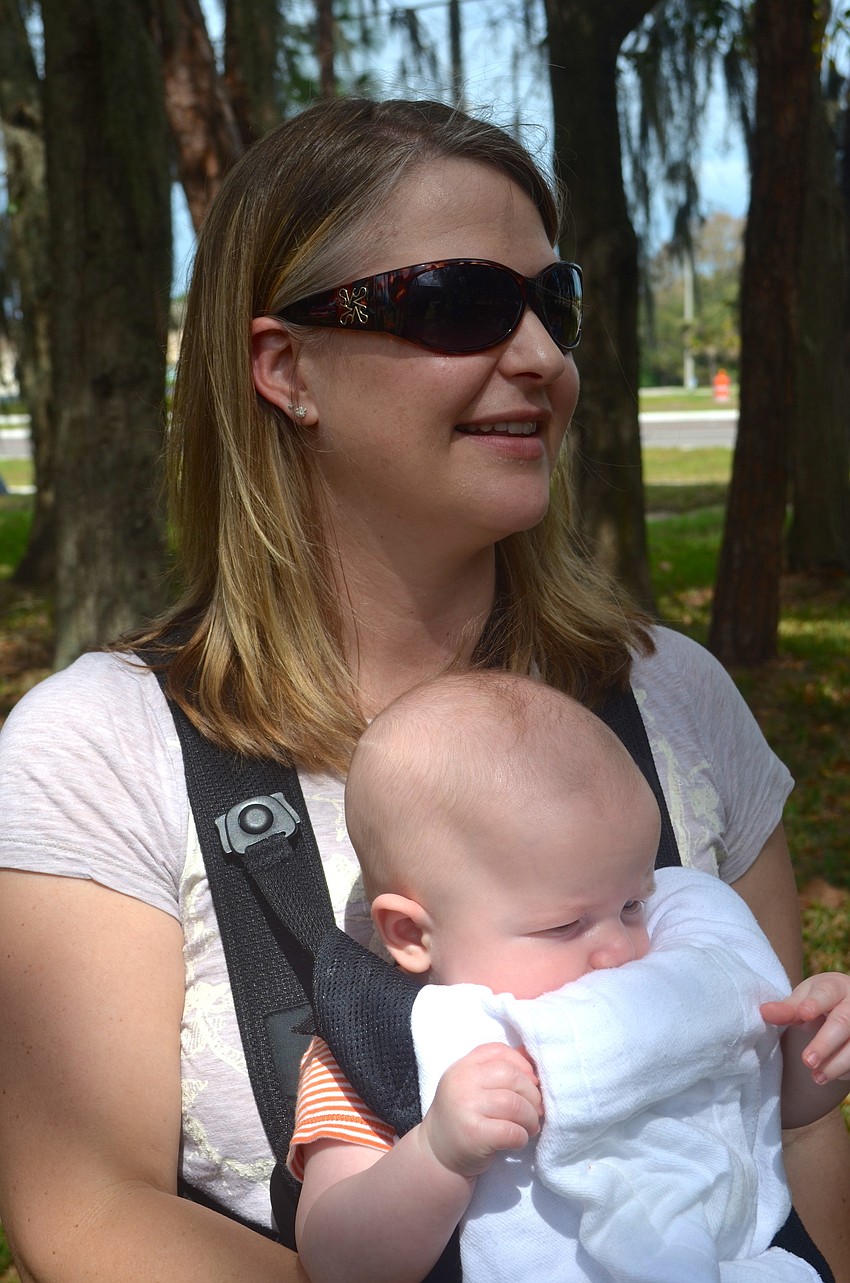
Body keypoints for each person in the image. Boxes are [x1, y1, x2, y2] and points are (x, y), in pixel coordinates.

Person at [0, 95, 847, 1282]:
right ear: (284, 366)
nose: (541, 356)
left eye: (555, 304)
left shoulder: (675, 699)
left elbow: (786, 1126)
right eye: (459, 302)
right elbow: (89, 1210)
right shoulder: (98, 748)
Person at [289, 670, 850, 1283]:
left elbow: (761, 1108)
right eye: (565, 925)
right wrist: (437, 1155)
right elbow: (335, 1260)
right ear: (411, 934)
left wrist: (818, 1054)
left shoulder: (662, 988)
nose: (618, 950)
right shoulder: (374, 1050)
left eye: (632, 905)